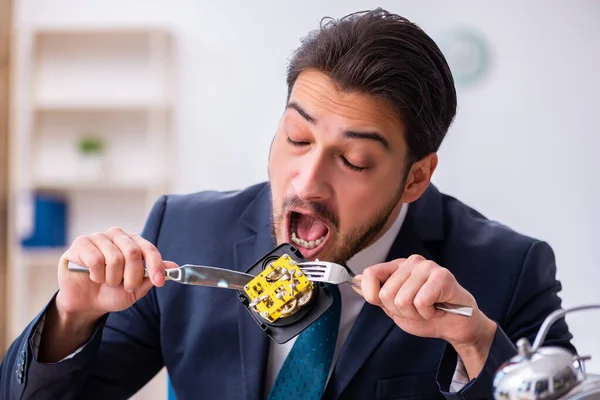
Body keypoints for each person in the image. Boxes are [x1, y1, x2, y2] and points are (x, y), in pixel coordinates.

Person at [1, 8, 575, 400]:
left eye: (352, 161)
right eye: (297, 139)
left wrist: (474, 341)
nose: (306, 180)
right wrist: (72, 317)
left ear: (415, 178)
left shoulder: (510, 270)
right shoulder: (184, 230)